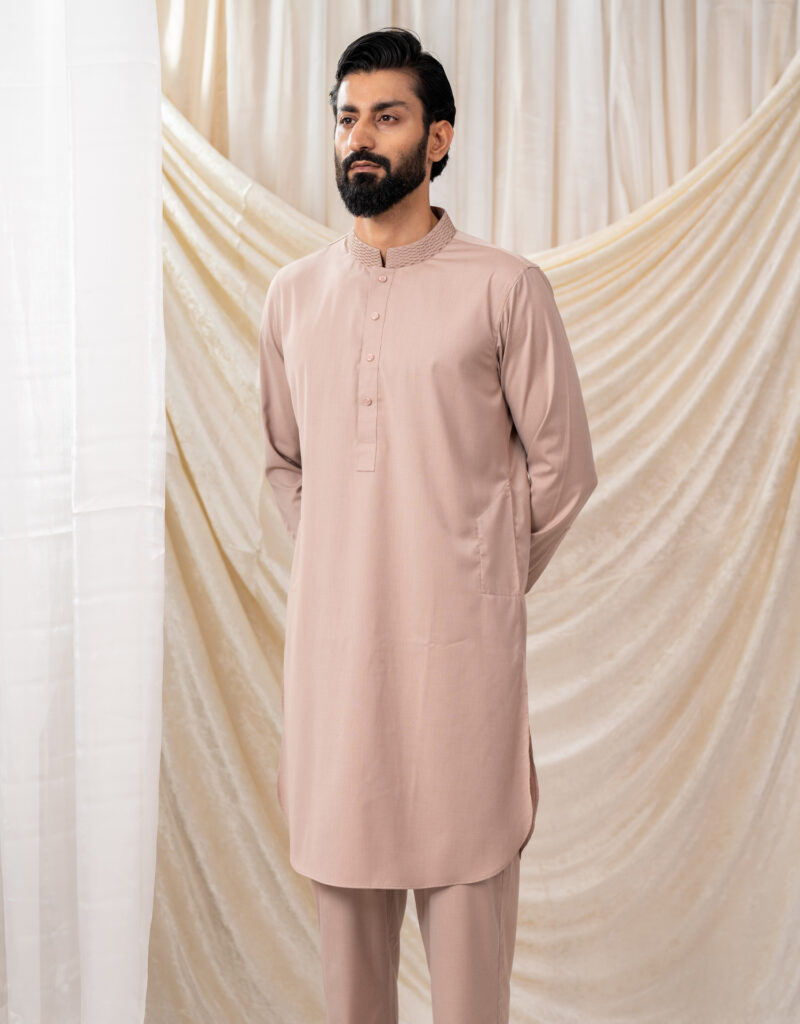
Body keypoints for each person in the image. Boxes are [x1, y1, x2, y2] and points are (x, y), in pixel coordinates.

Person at [258, 26, 598, 1024]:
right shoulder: (292, 298)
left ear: (438, 139)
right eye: (345, 119)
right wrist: (347, 564)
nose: (359, 138)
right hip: (337, 685)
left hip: (460, 685)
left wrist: (473, 576)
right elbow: (283, 461)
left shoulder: (505, 289)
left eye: (387, 117)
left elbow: (563, 470)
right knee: (350, 997)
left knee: (468, 994)